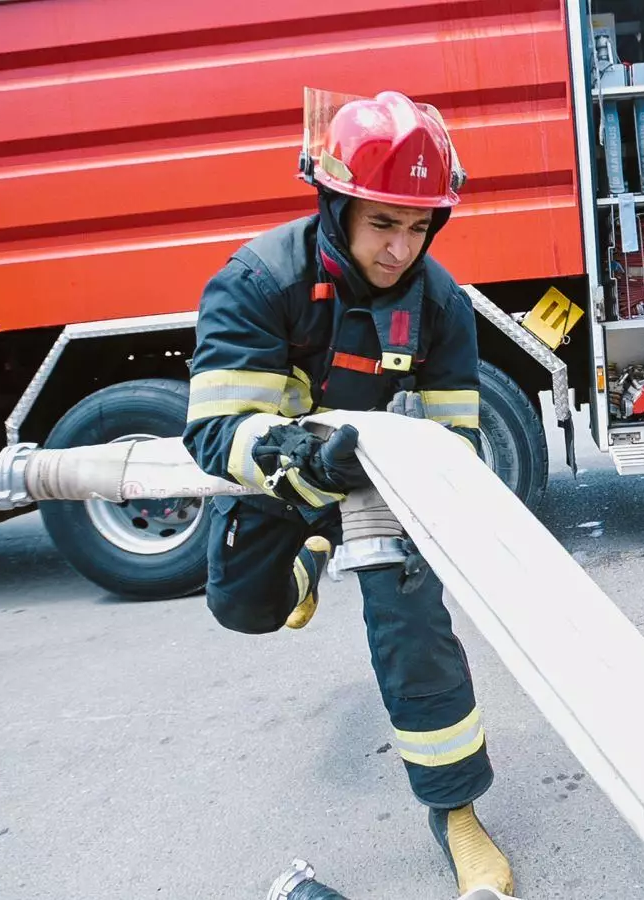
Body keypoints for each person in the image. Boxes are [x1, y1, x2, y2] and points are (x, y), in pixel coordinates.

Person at [181, 89, 513, 895]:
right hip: (284, 475)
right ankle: (310, 549)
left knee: (412, 626)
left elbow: (455, 433)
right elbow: (218, 431)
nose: (402, 249)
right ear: (335, 205)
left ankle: (457, 810)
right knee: (244, 607)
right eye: (383, 225)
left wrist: (439, 508)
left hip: (381, 482)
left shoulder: (441, 303)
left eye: (418, 226)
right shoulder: (258, 281)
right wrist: (305, 463)